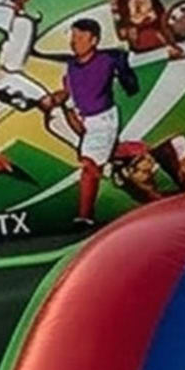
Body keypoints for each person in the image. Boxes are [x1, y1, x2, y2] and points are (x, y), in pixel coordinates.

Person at [44, 15, 143, 226]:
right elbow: (68, 92)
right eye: (73, 36)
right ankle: (142, 151)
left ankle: (85, 217)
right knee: (104, 154)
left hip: (102, 119)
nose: (74, 41)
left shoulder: (108, 60)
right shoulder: (70, 66)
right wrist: (56, 99)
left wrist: (124, 67)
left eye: (80, 37)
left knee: (89, 166)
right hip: (81, 119)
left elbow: (131, 86)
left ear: (94, 40)